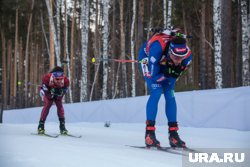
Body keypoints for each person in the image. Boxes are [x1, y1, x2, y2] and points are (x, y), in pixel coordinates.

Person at [138, 28, 192, 148]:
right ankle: (149, 133)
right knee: (156, 91)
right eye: (176, 57)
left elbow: (178, 70)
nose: (179, 60)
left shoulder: (187, 55)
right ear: (170, 52)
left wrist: (175, 71)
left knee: (170, 93)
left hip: (164, 62)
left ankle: (173, 134)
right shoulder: (157, 49)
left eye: (181, 57)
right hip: (148, 59)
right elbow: (154, 75)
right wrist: (166, 74)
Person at [38, 66, 70, 135]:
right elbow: (44, 90)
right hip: (48, 92)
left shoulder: (66, 80)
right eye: (57, 79)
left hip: (58, 94)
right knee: (48, 105)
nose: (59, 80)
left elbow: (65, 89)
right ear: (53, 76)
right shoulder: (47, 78)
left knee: (60, 106)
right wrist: (51, 93)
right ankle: (41, 125)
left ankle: (62, 127)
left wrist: (61, 92)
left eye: (60, 79)